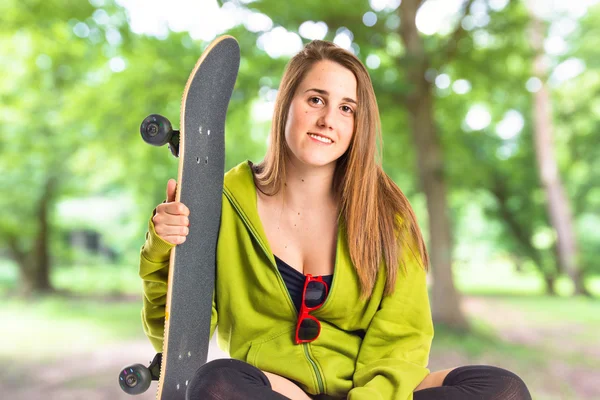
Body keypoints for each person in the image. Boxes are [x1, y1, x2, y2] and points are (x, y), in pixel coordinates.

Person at [139, 40, 531, 400]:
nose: (329, 119)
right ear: (286, 104)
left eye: (346, 108)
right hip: (277, 390)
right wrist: (163, 249)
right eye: (315, 99)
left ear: (358, 125)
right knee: (216, 383)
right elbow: (173, 339)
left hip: (370, 389)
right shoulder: (221, 202)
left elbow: (402, 339)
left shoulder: (386, 216)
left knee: (503, 390)